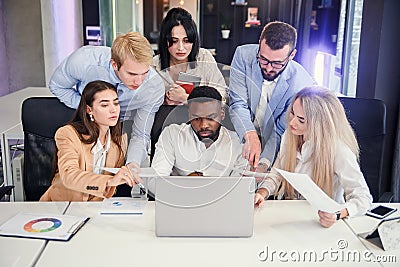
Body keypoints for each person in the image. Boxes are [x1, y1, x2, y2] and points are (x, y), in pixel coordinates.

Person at [254, 86, 373, 228]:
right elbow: (277, 174)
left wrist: (337, 214)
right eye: (292, 113)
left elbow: (363, 197)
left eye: (301, 120)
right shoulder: (290, 135)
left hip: (321, 222)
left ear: (319, 124)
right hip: (290, 216)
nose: (292, 122)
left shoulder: (338, 150)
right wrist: (262, 192)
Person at [48, 32, 165, 167]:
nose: (139, 81)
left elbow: (140, 134)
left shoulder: (153, 87)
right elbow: (57, 86)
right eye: (131, 74)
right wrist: (90, 109)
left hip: (122, 132)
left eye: (144, 73)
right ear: (114, 64)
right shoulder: (84, 61)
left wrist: (132, 164)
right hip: (85, 126)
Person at [229, 21, 315, 170]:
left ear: (292, 55)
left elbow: (281, 129)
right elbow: (238, 103)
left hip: (276, 144)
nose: (268, 68)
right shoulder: (243, 56)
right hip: (240, 134)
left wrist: (264, 164)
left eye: (276, 63)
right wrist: (249, 134)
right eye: (263, 59)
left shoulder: (301, 84)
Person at [40, 81, 142, 201]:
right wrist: (109, 181)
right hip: (64, 207)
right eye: (104, 105)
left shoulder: (119, 141)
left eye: (116, 103)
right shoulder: (68, 134)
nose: (113, 110)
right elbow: (69, 175)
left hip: (96, 210)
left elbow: (109, 190)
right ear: (89, 110)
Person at [151, 86, 247, 178]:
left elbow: (240, 186)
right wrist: (185, 184)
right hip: (180, 194)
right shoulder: (172, 135)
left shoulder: (238, 143)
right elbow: (157, 179)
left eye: (210, 118)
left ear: (222, 114)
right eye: (196, 118)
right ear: (189, 115)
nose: (203, 125)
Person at [154, 7, 227, 105]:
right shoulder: (154, 65)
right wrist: (163, 100)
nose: (181, 48)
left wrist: (186, 98)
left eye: (186, 41)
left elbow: (221, 99)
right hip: (165, 118)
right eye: (174, 41)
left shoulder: (204, 58)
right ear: (165, 41)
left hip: (200, 118)